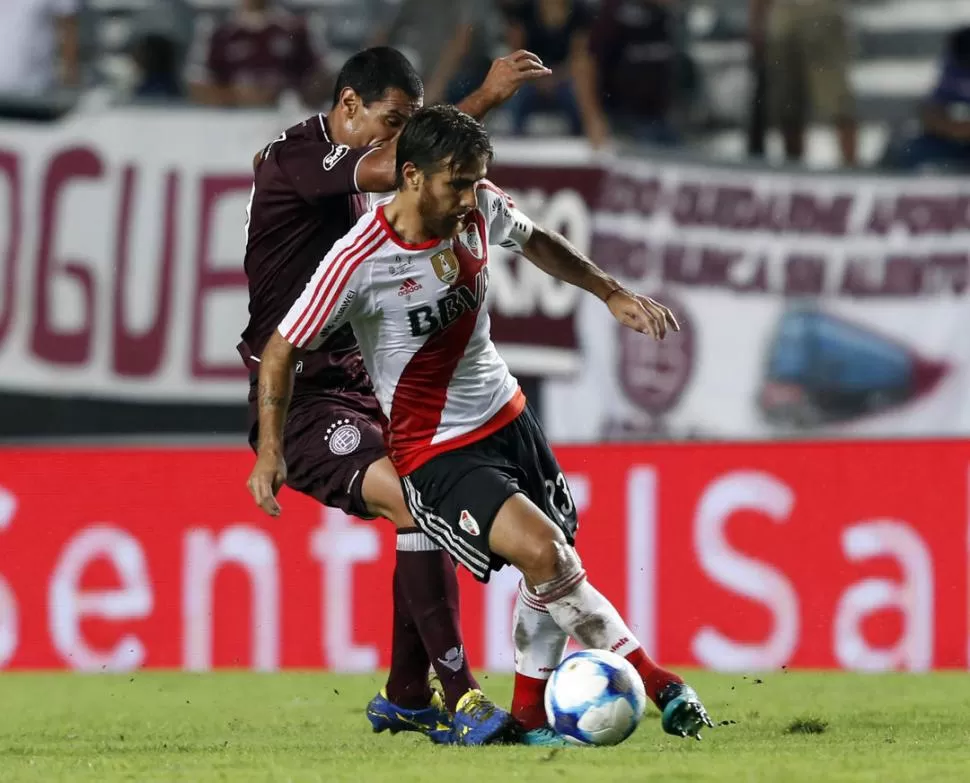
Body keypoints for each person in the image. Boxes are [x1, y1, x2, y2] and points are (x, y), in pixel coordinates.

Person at [249, 105, 714, 743]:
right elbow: (281, 349)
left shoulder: (478, 208)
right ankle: (660, 683)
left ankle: (526, 717)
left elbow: (538, 240)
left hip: (508, 415)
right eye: (456, 183)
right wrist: (270, 450)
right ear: (410, 176)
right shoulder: (356, 261)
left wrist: (610, 292)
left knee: (554, 565)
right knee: (546, 554)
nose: (470, 197)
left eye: (476, 181)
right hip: (436, 450)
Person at [240, 48, 553, 746]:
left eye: (407, 124)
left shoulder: (354, 169)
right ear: (347, 104)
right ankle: (463, 693)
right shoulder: (303, 158)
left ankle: (409, 693)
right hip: (302, 397)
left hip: (361, 384)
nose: (395, 137)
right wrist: (484, 97)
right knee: (414, 500)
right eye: (390, 121)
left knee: (425, 501)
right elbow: (406, 164)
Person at [750, 0, 857, 166]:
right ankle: (794, 169)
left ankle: (851, 170)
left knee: (837, 101)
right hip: (784, 15)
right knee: (788, 103)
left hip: (821, 12)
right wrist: (757, 22)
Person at [503, 0, 609, 147]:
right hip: (529, 77)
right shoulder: (523, 12)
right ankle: (511, 141)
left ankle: (585, 137)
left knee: (580, 85)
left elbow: (579, 58)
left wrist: (553, 77)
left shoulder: (580, 14)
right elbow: (515, 55)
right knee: (513, 90)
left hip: (565, 76)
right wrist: (537, 77)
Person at [186, 0, 329, 108]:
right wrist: (233, 96)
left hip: (284, 119)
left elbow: (321, 78)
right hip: (233, 121)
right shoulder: (221, 33)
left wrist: (285, 94)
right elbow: (198, 83)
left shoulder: (295, 29)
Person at [890, 26, 970, 173]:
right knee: (910, 151)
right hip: (955, 137)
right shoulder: (956, 61)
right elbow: (931, 111)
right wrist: (951, 128)